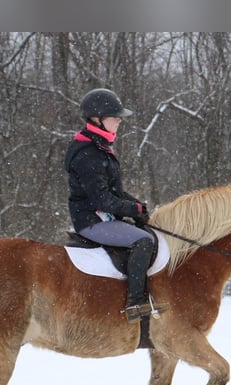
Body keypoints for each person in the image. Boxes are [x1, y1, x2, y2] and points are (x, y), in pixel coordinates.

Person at [64, 88, 159, 323]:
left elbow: (113, 191)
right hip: (91, 220)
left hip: (101, 216)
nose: (119, 121)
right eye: (114, 117)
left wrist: (137, 205)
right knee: (143, 241)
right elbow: (101, 200)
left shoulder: (99, 149)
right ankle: (136, 303)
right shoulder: (89, 154)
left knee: (146, 233)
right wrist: (132, 210)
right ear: (97, 119)